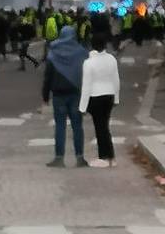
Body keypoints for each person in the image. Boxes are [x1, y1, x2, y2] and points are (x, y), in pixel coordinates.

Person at [42, 26, 89, 168]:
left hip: (58, 94)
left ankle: (59, 157)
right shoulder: (81, 52)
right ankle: (80, 157)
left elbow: (47, 76)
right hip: (75, 93)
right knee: (77, 126)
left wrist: (45, 95)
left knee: (60, 126)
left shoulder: (54, 52)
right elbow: (86, 73)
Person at [80, 33, 120, 168]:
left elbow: (86, 85)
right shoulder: (111, 59)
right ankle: (111, 156)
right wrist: (116, 98)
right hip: (109, 95)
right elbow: (116, 79)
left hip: (95, 96)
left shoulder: (88, 63)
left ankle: (104, 157)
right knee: (105, 126)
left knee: (100, 128)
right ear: (105, 45)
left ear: (91, 46)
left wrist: (82, 106)